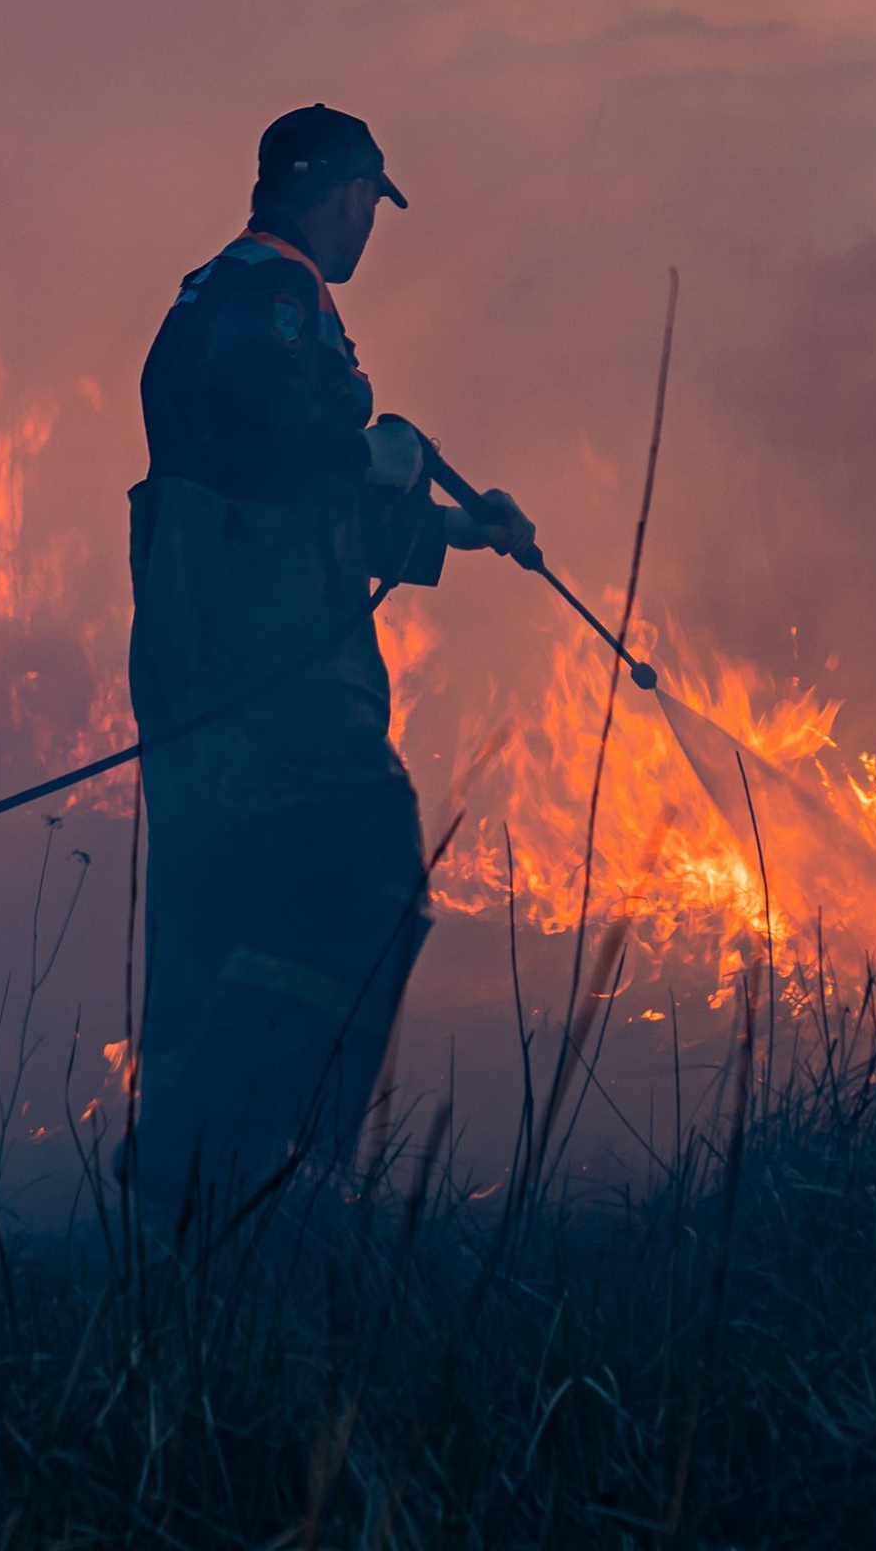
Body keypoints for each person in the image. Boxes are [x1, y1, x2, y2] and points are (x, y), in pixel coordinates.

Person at [127, 105, 533, 1209]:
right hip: (273, 674)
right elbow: (274, 447)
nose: (371, 225)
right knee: (363, 877)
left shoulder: (215, 293)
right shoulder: (276, 293)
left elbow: (264, 502)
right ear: (350, 192)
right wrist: (373, 451)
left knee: (217, 911)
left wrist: (454, 529)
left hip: (203, 665)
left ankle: (182, 1208)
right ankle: (270, 1168)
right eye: (371, 203)